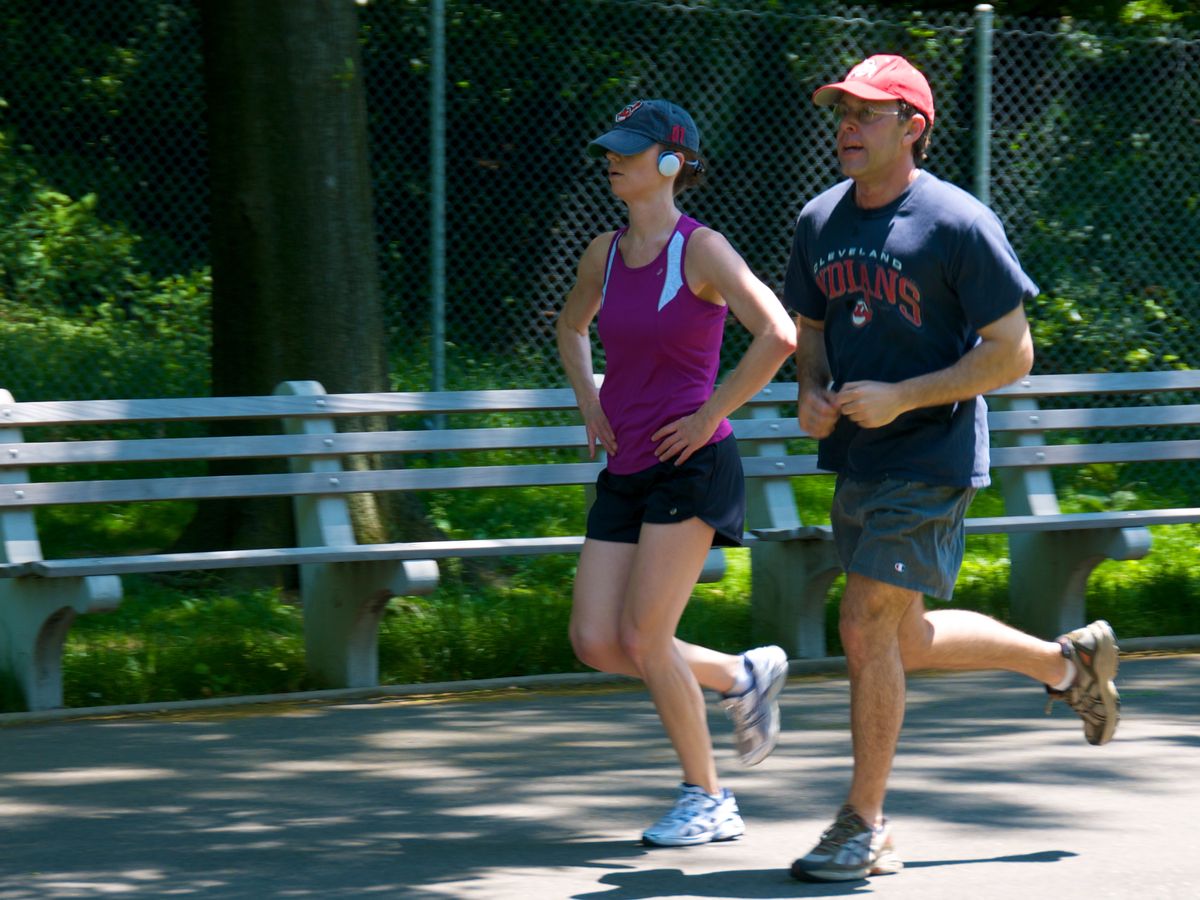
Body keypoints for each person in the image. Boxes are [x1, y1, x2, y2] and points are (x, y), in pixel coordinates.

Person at [782, 55, 1120, 882]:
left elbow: (1013, 353)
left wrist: (904, 396)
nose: (847, 126)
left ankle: (865, 824)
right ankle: (1067, 664)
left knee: (863, 624)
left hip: (930, 458)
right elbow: (811, 328)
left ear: (913, 127)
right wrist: (813, 389)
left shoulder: (958, 224)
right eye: (841, 111)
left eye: (867, 113)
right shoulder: (819, 219)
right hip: (859, 457)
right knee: (901, 637)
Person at [556, 98, 798, 847]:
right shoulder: (604, 250)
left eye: (629, 149)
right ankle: (738, 677)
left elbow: (779, 333)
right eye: (611, 148)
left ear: (670, 162)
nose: (612, 159)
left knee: (645, 636)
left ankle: (709, 798)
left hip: (693, 466)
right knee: (597, 641)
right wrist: (591, 400)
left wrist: (708, 415)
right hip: (627, 464)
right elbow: (570, 327)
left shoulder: (702, 250)